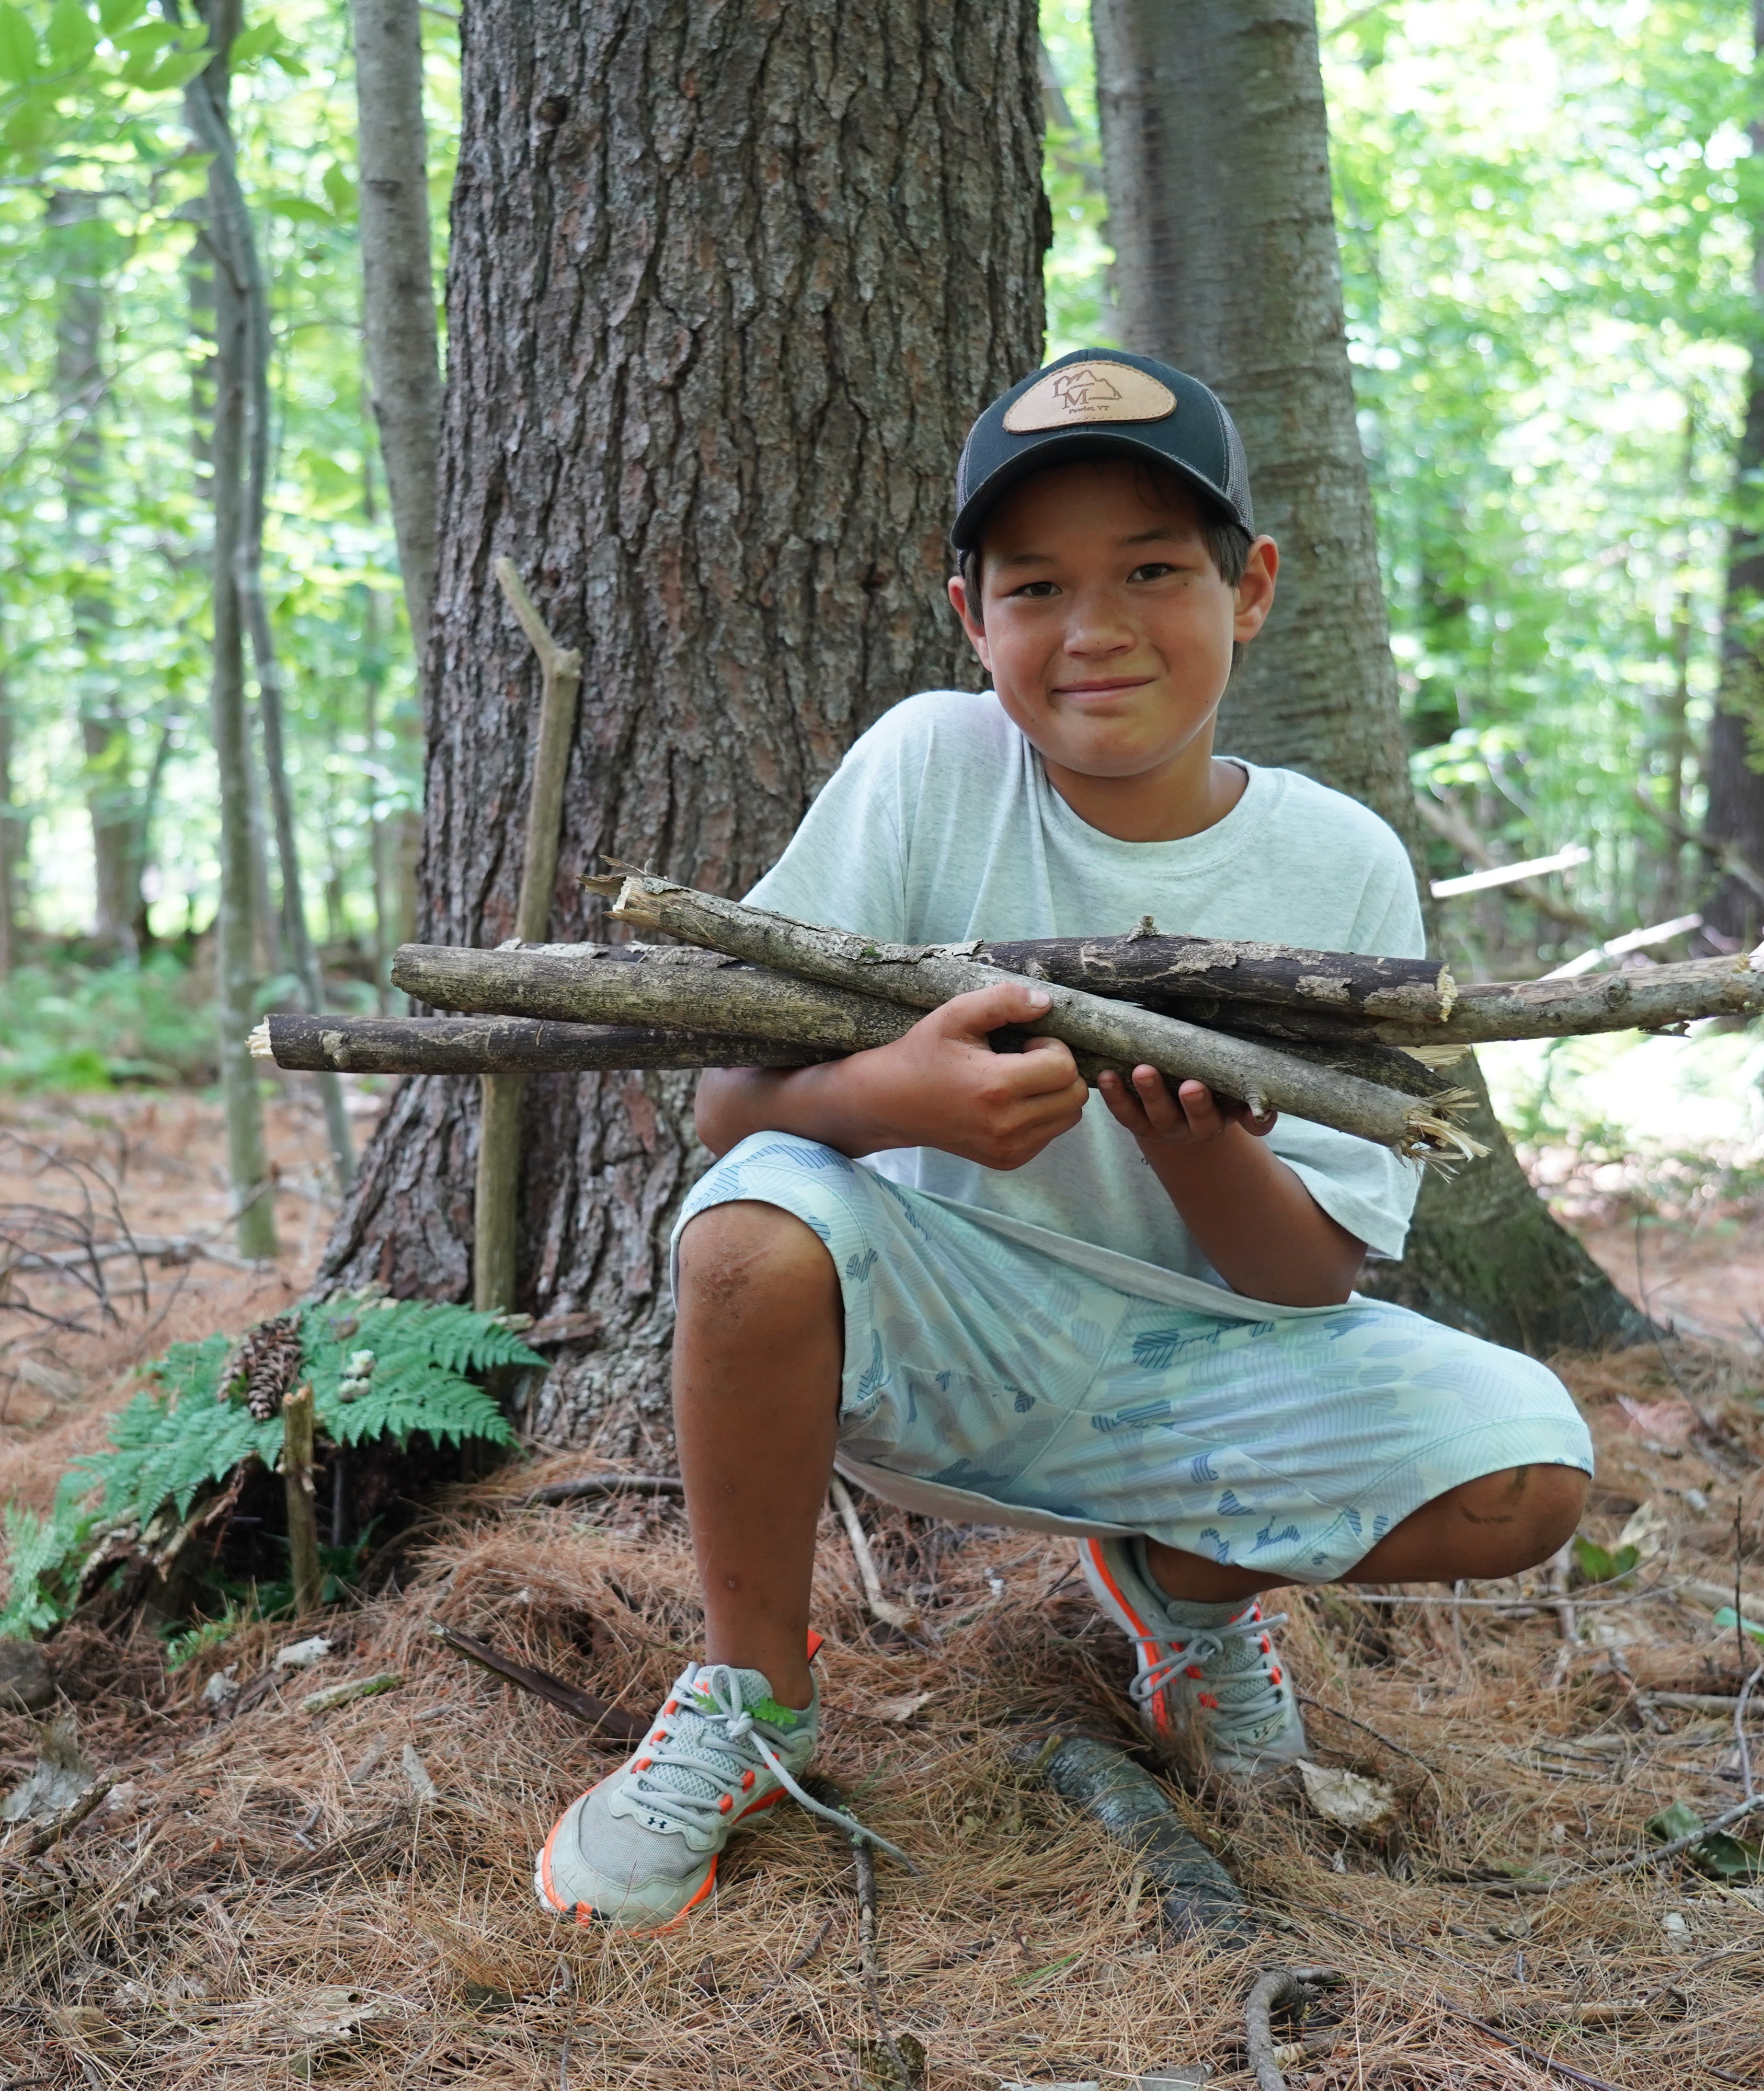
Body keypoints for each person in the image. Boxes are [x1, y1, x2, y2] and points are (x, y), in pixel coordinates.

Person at [532, 348, 1595, 1932]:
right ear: (974, 620)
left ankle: (1190, 1600)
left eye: (1154, 571)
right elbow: (727, 1103)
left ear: (1254, 588)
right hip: (947, 1324)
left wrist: (1197, 1147)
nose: (1095, 630)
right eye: (1036, 586)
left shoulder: (1342, 862)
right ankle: (751, 1693)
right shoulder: (925, 770)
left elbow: (1310, 1281)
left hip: (1217, 1366)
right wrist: (894, 1099)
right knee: (750, 1216)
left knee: (1529, 1467)